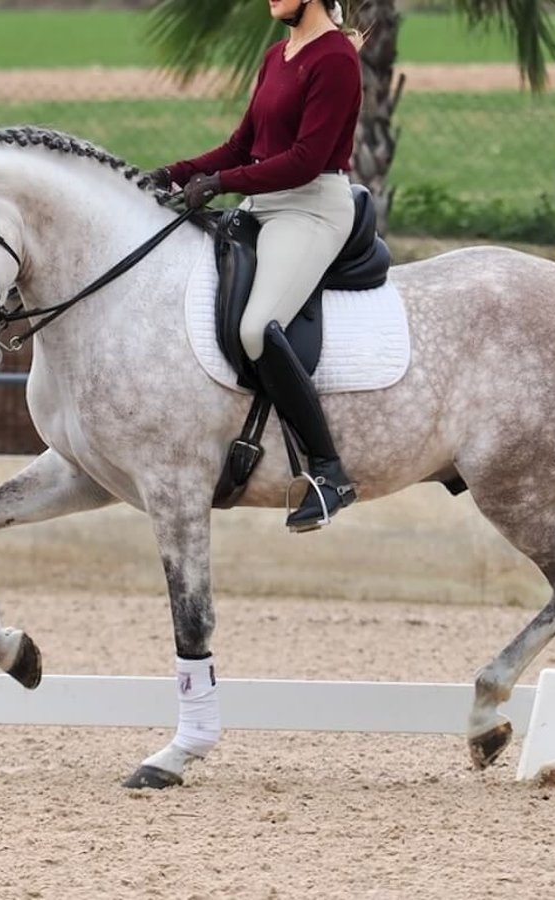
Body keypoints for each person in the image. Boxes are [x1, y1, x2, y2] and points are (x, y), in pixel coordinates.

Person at [149, 0, 364, 533]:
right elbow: (243, 145)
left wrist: (221, 185)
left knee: (254, 330)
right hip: (263, 201)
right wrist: (175, 172)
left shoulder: (335, 58)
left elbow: (306, 159)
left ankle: (329, 472)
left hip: (311, 207)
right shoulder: (278, 54)